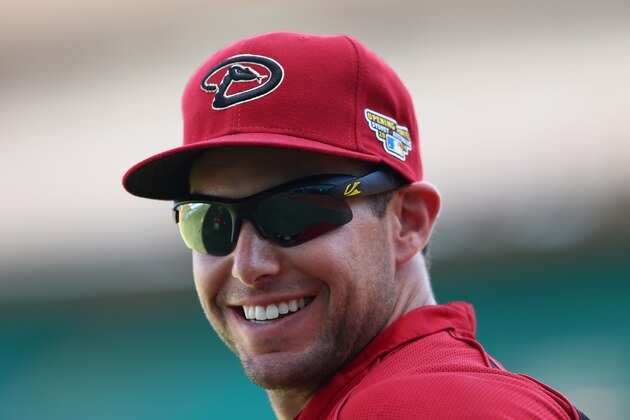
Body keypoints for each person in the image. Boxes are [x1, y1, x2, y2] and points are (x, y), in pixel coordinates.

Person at [123, 32, 588, 419]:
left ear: (408, 222)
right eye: (210, 221)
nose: (248, 266)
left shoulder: (426, 405)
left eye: (296, 211)